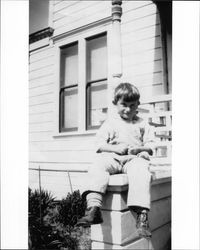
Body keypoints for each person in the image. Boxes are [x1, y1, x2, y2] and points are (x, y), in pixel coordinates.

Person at [77, 82, 155, 238]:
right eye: (124, 105)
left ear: (138, 104)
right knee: (97, 165)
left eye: (132, 105)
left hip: (133, 158)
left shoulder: (143, 123)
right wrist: (114, 149)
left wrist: (139, 149)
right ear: (115, 104)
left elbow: (151, 146)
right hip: (112, 157)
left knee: (141, 171)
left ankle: (142, 217)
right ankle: (93, 208)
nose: (128, 109)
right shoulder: (111, 123)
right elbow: (99, 145)